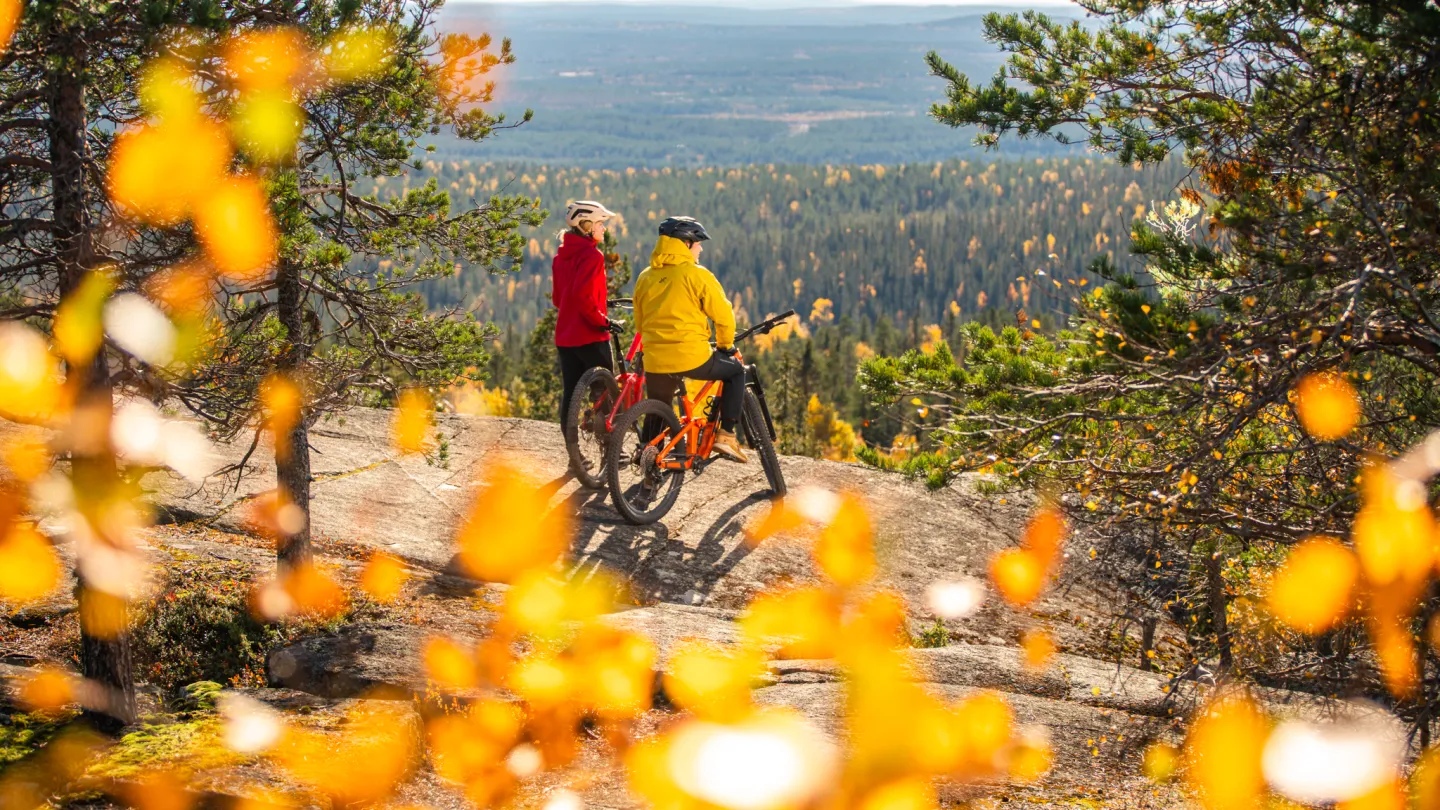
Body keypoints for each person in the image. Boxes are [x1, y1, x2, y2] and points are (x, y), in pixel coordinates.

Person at [632, 216, 748, 463]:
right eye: (698, 243)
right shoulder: (697, 275)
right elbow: (724, 317)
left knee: (657, 406)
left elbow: (640, 323)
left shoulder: (645, 276)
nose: (701, 248)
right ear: (685, 244)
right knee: (737, 372)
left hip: (654, 359)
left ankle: (648, 455)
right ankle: (726, 436)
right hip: (692, 357)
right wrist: (726, 345)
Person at [553, 199, 622, 439]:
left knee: (571, 395)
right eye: (600, 223)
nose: (604, 228)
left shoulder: (560, 257)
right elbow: (583, 297)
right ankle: (610, 450)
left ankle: (574, 455)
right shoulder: (593, 257)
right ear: (586, 225)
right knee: (604, 392)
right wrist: (603, 320)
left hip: (565, 336)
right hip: (591, 335)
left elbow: (558, 299)